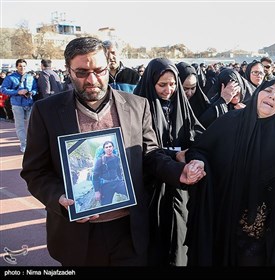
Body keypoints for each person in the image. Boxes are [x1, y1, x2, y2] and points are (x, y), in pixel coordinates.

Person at [20, 37, 206, 266]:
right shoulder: (46, 111)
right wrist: (59, 198)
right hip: (78, 236)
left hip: (129, 231)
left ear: (109, 66)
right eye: (82, 72)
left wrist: (178, 172)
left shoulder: (137, 105)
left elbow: (150, 154)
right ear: (68, 70)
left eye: (99, 70)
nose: (92, 79)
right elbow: (35, 172)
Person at [184, 79, 275, 266]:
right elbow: (201, 148)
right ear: (257, 93)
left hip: (260, 225)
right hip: (224, 212)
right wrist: (198, 162)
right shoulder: (230, 121)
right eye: (267, 91)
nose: (271, 97)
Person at [134, 58, 205, 266]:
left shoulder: (181, 104)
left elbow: (197, 135)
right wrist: (173, 155)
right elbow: (140, 148)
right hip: (151, 186)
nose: (169, 90)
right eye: (162, 85)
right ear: (150, 82)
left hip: (179, 184)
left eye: (173, 84)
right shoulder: (138, 106)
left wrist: (194, 157)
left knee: (179, 240)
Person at [0, 59, 37, 153]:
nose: (22, 68)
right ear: (17, 67)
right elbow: (3, 90)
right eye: (20, 66)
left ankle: (31, 144)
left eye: (24, 66)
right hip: (17, 104)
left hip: (29, 103)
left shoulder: (30, 77)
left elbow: (35, 88)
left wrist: (31, 92)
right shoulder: (10, 77)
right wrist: (17, 92)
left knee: (32, 125)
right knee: (20, 126)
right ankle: (24, 145)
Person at [92, 140, 127, 205]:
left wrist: (121, 179)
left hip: (117, 182)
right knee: (106, 204)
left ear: (113, 147)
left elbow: (118, 170)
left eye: (110, 146)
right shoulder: (100, 161)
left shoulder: (117, 158)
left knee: (129, 191)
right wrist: (97, 191)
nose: (108, 148)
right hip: (106, 185)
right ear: (104, 149)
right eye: (106, 147)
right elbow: (95, 177)